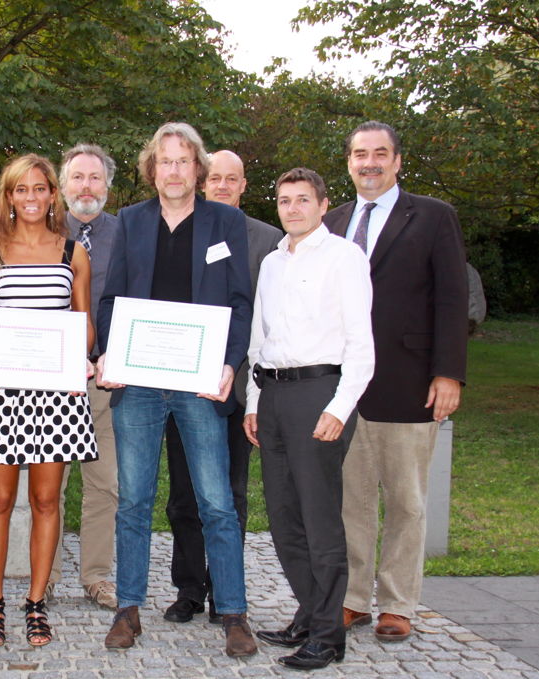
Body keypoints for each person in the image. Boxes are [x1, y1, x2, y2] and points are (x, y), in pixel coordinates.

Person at [96, 122, 256, 657]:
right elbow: (113, 297)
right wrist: (107, 358)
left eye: (183, 160)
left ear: (198, 169)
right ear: (152, 169)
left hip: (199, 381)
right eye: (165, 161)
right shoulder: (131, 222)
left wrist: (231, 363)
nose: (173, 170)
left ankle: (233, 612)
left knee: (217, 502)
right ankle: (128, 610)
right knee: (133, 502)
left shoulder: (225, 222)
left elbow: (239, 302)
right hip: (139, 382)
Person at [323, 121, 468, 642]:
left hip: (408, 380)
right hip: (343, 388)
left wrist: (449, 372)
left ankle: (399, 603)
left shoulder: (432, 217)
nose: (370, 163)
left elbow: (453, 299)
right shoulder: (332, 220)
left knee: (406, 499)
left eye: (380, 154)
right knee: (351, 498)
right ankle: (354, 598)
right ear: (349, 162)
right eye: (360, 154)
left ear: (398, 161)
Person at [0, 154, 98, 648]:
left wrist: (75, 359)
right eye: (22, 190)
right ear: (9, 197)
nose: (32, 198)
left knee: (45, 500)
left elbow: (84, 325)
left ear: (52, 195)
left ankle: (36, 604)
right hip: (0, 396)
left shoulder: (72, 252)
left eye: (41, 188)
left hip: (57, 394)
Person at [245, 168, 374, 670]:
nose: (293, 208)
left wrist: (339, 408)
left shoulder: (345, 258)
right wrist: (255, 402)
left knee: (320, 519)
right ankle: (309, 610)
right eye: (284, 200)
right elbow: (260, 339)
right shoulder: (273, 263)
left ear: (323, 205)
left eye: (303, 200)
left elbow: (361, 346)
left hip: (320, 393)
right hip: (273, 395)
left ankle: (328, 634)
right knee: (283, 517)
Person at [162, 149, 282, 624]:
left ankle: (224, 592)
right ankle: (189, 588)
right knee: (184, 494)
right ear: (202, 181)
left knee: (230, 493)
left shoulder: (269, 240)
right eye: (216, 178)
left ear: (244, 185)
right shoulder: (184, 229)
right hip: (185, 381)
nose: (224, 186)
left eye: (234, 179)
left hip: (239, 387)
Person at [46, 143, 121, 610]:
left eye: (95, 178)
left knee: (104, 484)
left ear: (107, 188)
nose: (86, 187)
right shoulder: (41, 233)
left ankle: (96, 577)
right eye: (77, 177)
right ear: (62, 185)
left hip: (106, 381)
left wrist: (112, 355)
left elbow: (134, 301)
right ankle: (45, 574)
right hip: (51, 381)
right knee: (49, 486)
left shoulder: (129, 233)